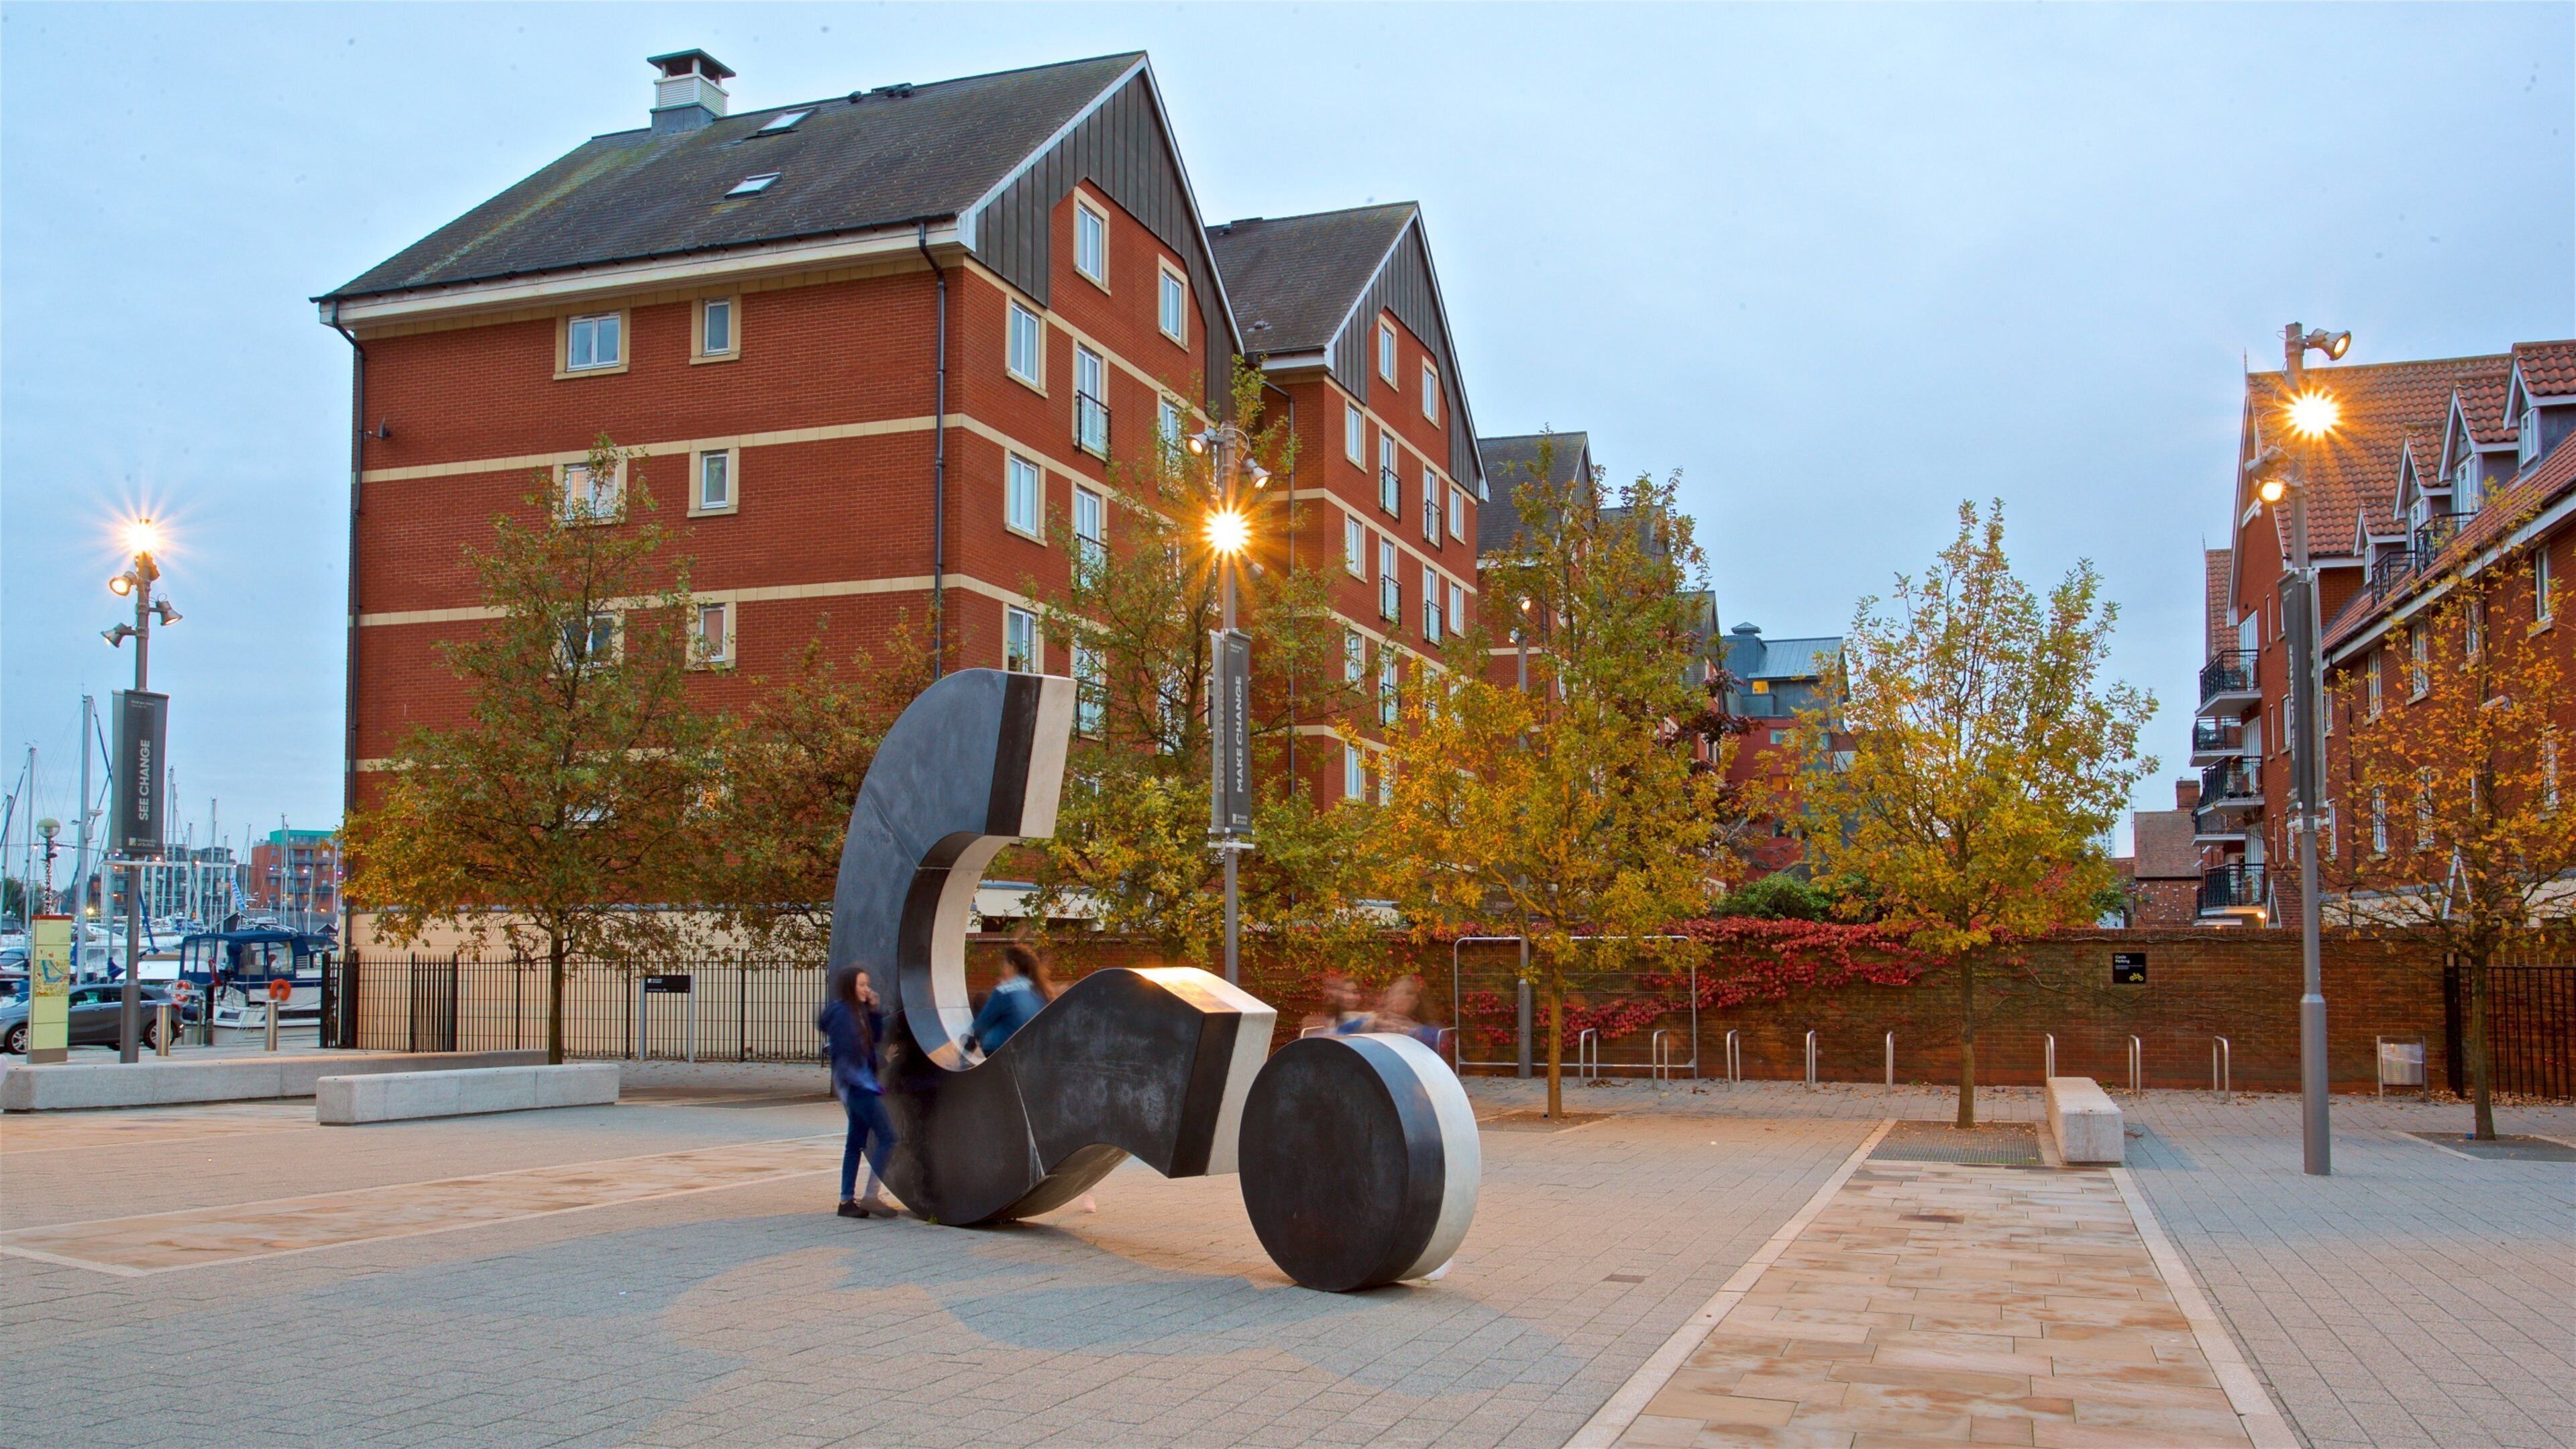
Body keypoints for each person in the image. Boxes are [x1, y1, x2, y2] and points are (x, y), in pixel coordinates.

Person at [818, 966, 898, 1219]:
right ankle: (871, 1196)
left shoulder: (856, 1011)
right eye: (861, 985)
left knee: (854, 1144)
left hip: (857, 1086)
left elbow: (874, 1037)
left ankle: (846, 1202)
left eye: (867, 984)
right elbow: (851, 1051)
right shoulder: (844, 1015)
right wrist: (880, 1062)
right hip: (859, 1087)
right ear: (849, 986)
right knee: (888, 1137)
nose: (867, 989)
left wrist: (873, 1011)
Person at [969, 945, 1053, 1055]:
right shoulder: (1040, 991)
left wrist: (968, 1045)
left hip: (1002, 1051)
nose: (1002, 969)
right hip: (1031, 1050)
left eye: (1004, 964)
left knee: (981, 999)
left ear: (1013, 966)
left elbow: (982, 1024)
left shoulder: (1004, 991)